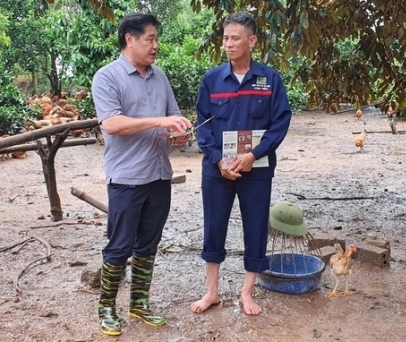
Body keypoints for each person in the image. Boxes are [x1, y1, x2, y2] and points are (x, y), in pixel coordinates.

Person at [91, 13, 192, 336]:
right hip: (126, 177)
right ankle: (106, 306)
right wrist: (158, 122)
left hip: (159, 174)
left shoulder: (159, 76)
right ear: (129, 39)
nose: (155, 45)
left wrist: (178, 131)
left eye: (156, 39)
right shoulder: (107, 77)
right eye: (150, 39)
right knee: (120, 244)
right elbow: (112, 124)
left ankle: (139, 303)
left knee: (149, 243)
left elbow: (172, 115)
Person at [191, 12, 292, 316]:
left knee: (256, 227)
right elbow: (203, 125)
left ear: (252, 41)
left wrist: (255, 154)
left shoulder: (269, 79)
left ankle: (246, 293)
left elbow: (280, 122)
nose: (229, 44)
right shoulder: (212, 80)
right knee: (214, 226)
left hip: (256, 170)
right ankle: (212, 292)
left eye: (235, 38)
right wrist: (219, 160)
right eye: (225, 38)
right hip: (217, 170)